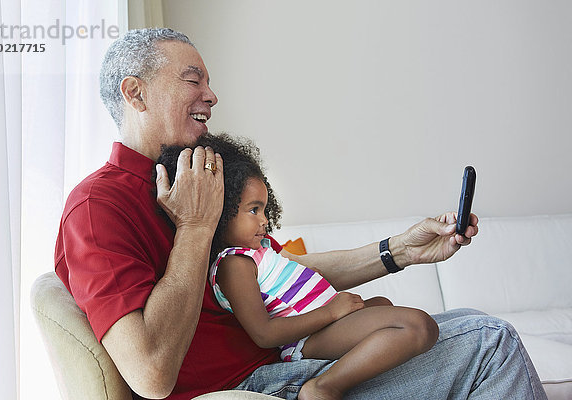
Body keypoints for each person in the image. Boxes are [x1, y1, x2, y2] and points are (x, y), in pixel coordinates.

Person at [54, 27, 547, 400]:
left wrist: (398, 251)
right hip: (259, 386)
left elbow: (270, 273)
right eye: (192, 79)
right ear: (135, 93)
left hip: (286, 362)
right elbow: (151, 374)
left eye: (209, 80)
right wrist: (196, 229)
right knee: (488, 340)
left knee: (462, 323)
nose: (211, 94)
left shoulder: (194, 177)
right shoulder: (99, 208)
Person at [157, 134, 440, 400]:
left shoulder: (260, 250)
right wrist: (331, 311)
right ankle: (323, 387)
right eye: (253, 210)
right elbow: (264, 334)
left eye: (265, 210)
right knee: (419, 325)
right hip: (307, 339)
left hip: (325, 322)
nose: (265, 220)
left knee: (383, 304)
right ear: (221, 211)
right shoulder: (233, 264)